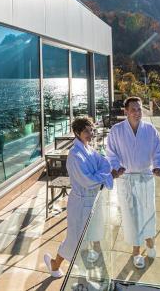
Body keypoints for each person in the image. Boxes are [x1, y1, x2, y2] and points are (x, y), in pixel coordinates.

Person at [44, 116, 117, 278]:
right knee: (75, 240)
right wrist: (107, 175)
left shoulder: (89, 149)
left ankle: (95, 270)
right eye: (86, 131)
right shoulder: (75, 155)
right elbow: (87, 180)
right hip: (80, 203)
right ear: (77, 133)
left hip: (92, 200)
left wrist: (104, 173)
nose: (91, 134)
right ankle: (56, 265)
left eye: (91, 130)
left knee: (95, 233)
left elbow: (104, 163)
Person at [106, 96, 160, 269]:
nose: (137, 112)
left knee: (148, 213)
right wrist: (117, 167)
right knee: (132, 217)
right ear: (125, 111)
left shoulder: (150, 129)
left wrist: (159, 167)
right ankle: (136, 252)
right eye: (133, 109)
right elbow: (110, 153)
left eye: (139, 109)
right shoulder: (116, 130)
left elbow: (159, 152)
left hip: (145, 178)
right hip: (126, 179)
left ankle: (150, 243)